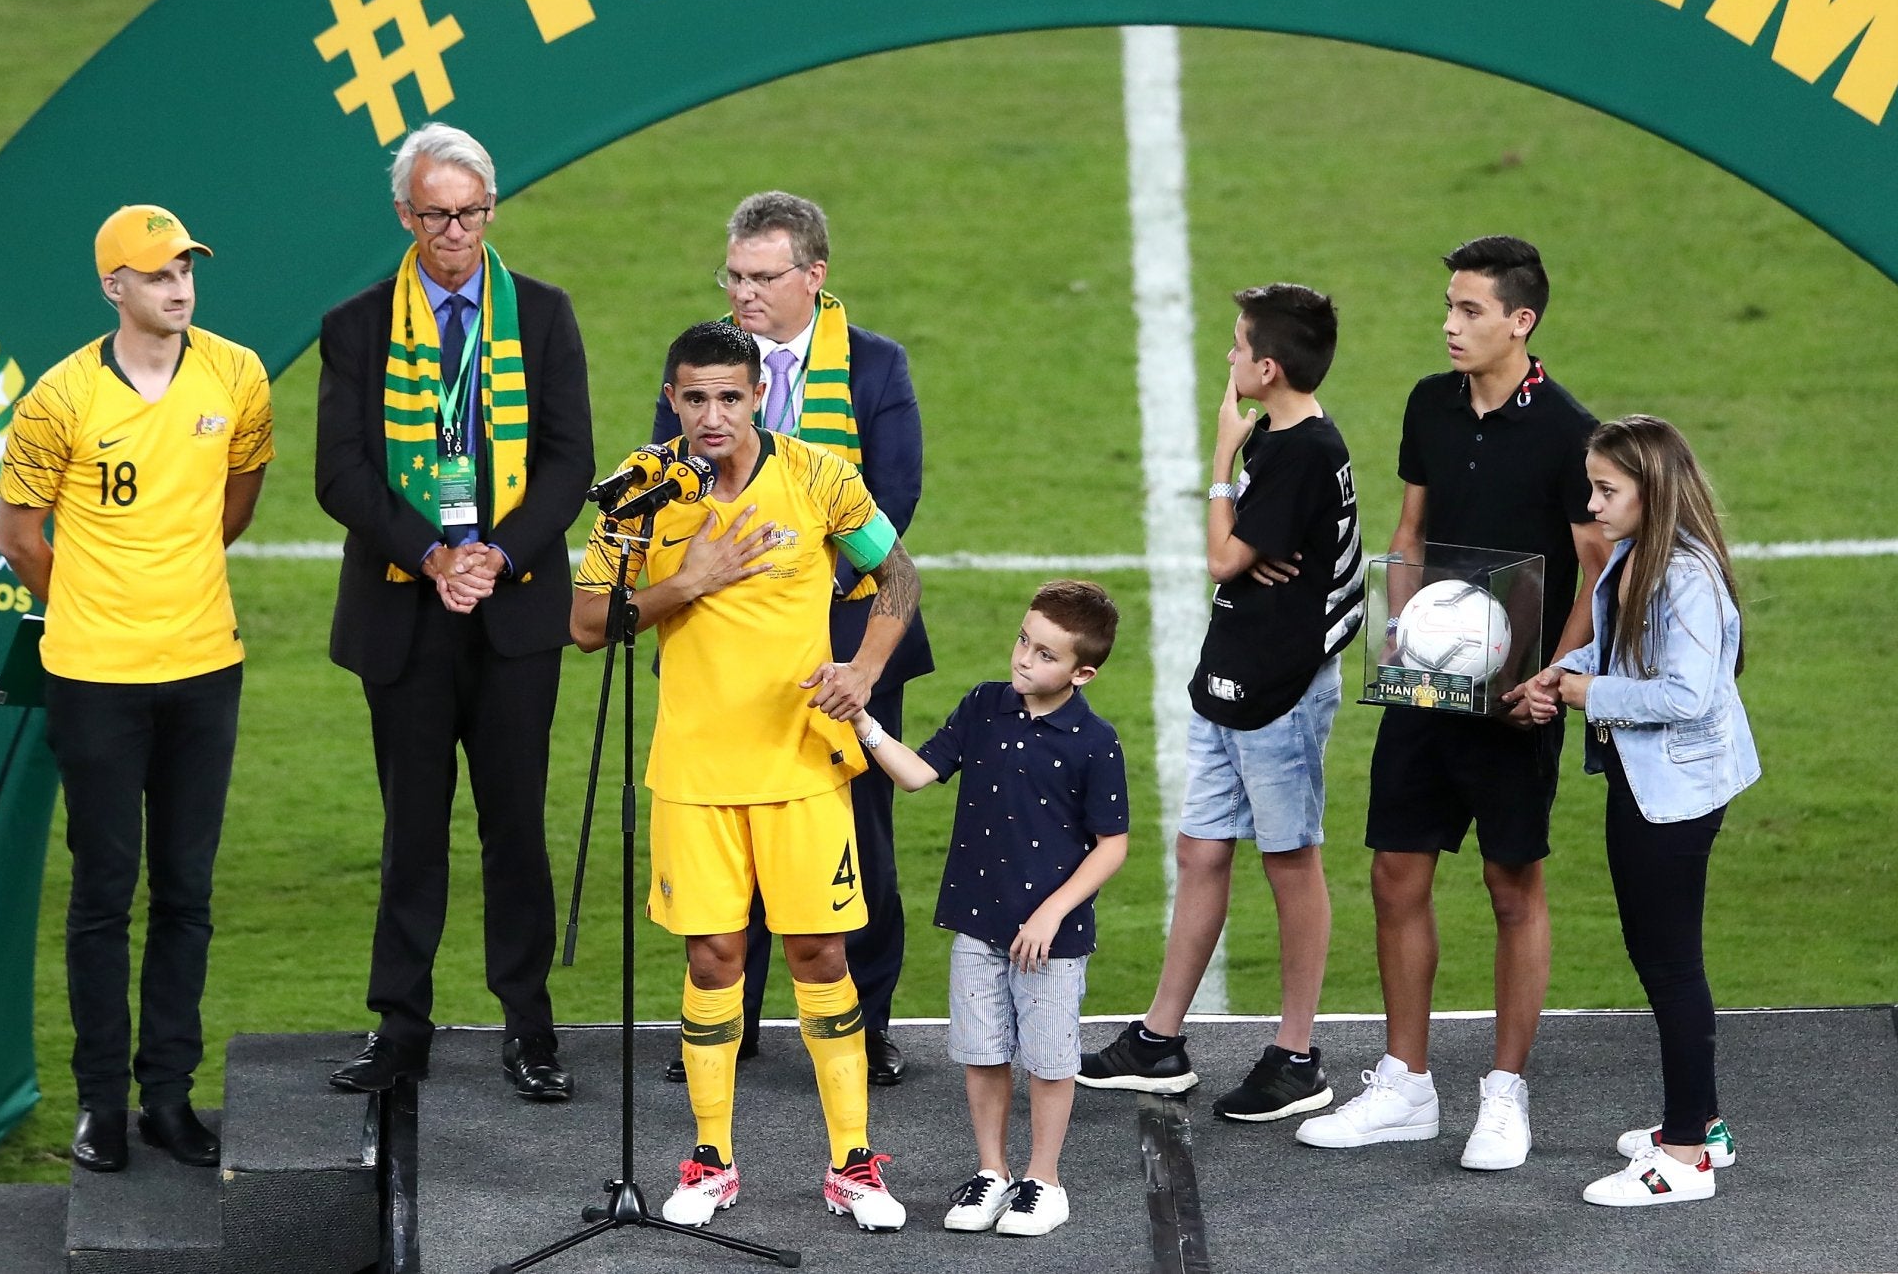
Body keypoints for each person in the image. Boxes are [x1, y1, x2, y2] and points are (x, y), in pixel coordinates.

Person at [577, 320, 924, 1234]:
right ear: (673, 399)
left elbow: (897, 574)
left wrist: (865, 669)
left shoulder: (820, 475)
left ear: (759, 394)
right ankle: (711, 1157)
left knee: (821, 955)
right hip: (693, 774)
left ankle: (852, 1163)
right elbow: (584, 622)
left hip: (804, 768)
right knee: (713, 957)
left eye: (730, 395)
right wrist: (688, 580)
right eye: (694, 397)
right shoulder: (638, 490)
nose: (713, 414)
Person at [1298, 234, 1610, 1170]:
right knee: (1396, 875)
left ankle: (1505, 1096)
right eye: (1448, 305)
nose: (1450, 323)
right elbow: (1411, 528)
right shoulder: (1429, 404)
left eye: (1470, 309)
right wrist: (1402, 643)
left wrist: (1550, 682)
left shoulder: (1569, 431)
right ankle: (1406, 1082)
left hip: (1519, 701)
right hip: (1429, 687)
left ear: (1522, 320)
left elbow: (1595, 572)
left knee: (1513, 888)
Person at [315, 123, 595, 1102]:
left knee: (515, 821)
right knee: (412, 826)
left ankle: (529, 1025)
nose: (455, 231)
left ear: (490, 209)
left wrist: (496, 554)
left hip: (512, 609)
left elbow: (569, 460)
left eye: (471, 212)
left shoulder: (544, 315)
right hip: (407, 607)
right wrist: (432, 554)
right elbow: (339, 474)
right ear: (405, 214)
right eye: (436, 214)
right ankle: (401, 1024)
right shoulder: (355, 325)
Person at [0, 205, 273, 1173]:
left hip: (203, 666)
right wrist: (96, 611)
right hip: (96, 679)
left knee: (188, 890)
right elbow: (21, 536)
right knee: (104, 895)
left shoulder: (236, 373)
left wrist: (173, 578)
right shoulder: (59, 397)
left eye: (187, 267)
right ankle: (101, 1103)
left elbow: (237, 496)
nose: (180, 287)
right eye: (158, 273)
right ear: (114, 284)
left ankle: (167, 1095)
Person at [652, 191, 931, 1088]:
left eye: (763, 276)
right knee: (732, 830)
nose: (743, 292)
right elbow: (671, 493)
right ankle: (729, 1025)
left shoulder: (876, 365)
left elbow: (892, 502)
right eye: (732, 274)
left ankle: (870, 1020)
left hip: (848, 640)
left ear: (814, 276)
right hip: (724, 641)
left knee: (860, 841)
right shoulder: (706, 371)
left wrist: (827, 615)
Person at [1080, 284, 1363, 1122]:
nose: (1229, 358)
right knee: (1201, 851)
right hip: (1232, 679)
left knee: (1290, 860)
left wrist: (1219, 467)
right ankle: (1160, 1040)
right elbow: (1242, 557)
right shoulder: (1279, 438)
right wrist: (1247, 536)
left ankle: (1297, 1055)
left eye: (1239, 347)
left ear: (1268, 367)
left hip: (1280, 691)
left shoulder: (1304, 448)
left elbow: (1219, 557)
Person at [1514, 416, 1759, 1206]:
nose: (1592, 502)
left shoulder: (1682, 576)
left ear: (1652, 492)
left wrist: (1588, 693)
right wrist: (1559, 672)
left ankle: (1685, 1155)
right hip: (1652, 783)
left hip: (1672, 797)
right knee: (1667, 958)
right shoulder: (1635, 556)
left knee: (1670, 964)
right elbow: (1617, 649)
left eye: (1607, 489)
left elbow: (1689, 695)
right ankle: (1704, 1125)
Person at [851, 581, 1130, 1239]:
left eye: (1045, 653)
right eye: (1023, 641)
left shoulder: (1095, 741)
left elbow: (1111, 844)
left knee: (1051, 1060)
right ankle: (992, 1171)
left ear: (1082, 672)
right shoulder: (983, 705)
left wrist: (1052, 914)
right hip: (978, 924)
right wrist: (863, 723)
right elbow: (918, 773)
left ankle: (1044, 1179)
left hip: (1049, 940)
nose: (1024, 659)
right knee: (982, 1053)